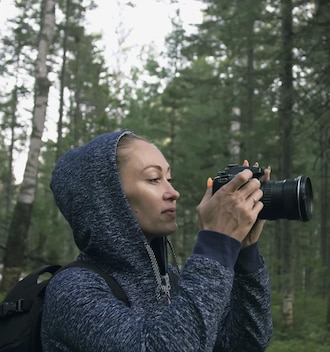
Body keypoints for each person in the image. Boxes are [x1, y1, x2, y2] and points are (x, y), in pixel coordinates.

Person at [41, 129, 273, 351]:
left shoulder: (171, 279)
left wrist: (244, 253)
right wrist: (215, 243)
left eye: (169, 179)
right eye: (153, 179)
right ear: (107, 200)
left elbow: (244, 343)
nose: (173, 192)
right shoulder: (73, 290)